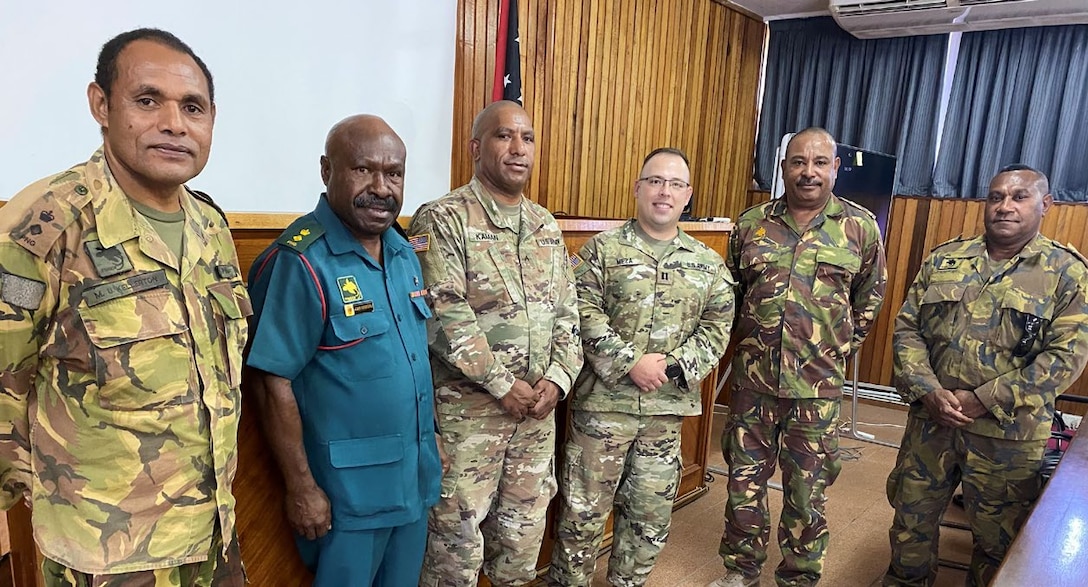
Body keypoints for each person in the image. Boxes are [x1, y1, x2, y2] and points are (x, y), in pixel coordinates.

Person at [0, 29, 248, 585]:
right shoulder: (44, 225)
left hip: (212, 537)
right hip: (106, 558)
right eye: (147, 100)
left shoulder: (210, 228)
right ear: (100, 105)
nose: (174, 124)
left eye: (193, 108)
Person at [245, 115, 444, 586]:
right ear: (326, 170)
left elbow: (413, 356)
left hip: (412, 481)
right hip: (348, 498)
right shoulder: (299, 261)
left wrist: (430, 433)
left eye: (393, 173)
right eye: (363, 170)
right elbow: (271, 380)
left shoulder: (403, 253)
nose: (381, 187)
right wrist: (301, 487)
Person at [883, 165, 1088, 587]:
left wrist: (984, 399)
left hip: (1007, 437)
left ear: (1045, 204)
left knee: (998, 544)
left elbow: (1066, 358)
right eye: (996, 197)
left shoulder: (1068, 273)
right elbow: (907, 329)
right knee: (910, 526)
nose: (1005, 206)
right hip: (932, 424)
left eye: (1019, 197)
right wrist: (929, 390)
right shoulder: (945, 259)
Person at [409, 100, 583, 587]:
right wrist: (501, 383)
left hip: (535, 419)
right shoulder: (442, 219)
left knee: (522, 543)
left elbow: (569, 314)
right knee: (455, 548)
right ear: (476, 147)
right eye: (504, 136)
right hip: (470, 418)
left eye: (527, 138)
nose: (518, 148)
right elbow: (444, 315)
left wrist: (560, 380)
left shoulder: (546, 224)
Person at [548, 148, 735, 586]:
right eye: (654, 181)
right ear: (637, 188)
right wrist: (630, 362)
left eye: (674, 184)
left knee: (647, 521)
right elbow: (581, 312)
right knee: (582, 518)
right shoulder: (601, 251)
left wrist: (669, 368)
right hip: (602, 413)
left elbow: (717, 326)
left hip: (664, 415)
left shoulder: (707, 264)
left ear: (687, 195)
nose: (663, 191)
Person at [710, 127, 887, 587]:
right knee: (743, 488)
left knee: (808, 492)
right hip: (753, 385)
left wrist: (834, 349)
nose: (808, 172)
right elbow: (730, 297)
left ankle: (799, 577)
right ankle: (740, 571)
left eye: (819, 162)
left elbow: (869, 300)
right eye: (798, 162)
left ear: (835, 168)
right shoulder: (751, 225)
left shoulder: (860, 228)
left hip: (817, 388)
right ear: (784, 167)